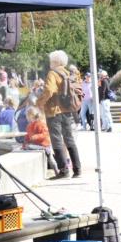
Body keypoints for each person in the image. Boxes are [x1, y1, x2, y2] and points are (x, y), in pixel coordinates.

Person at [35, 50, 81, 180]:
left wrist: (40, 102)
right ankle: (77, 169)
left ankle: (63, 170)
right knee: (69, 139)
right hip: (67, 110)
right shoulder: (68, 73)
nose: (49, 63)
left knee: (57, 140)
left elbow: (49, 90)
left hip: (54, 111)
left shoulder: (52, 73)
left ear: (54, 62)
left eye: (50, 61)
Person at [23, 106, 58, 175]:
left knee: (51, 159)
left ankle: (56, 170)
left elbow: (45, 134)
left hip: (44, 144)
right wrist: (25, 143)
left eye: (27, 116)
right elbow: (27, 136)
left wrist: (36, 137)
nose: (26, 118)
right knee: (28, 146)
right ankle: (56, 170)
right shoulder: (29, 126)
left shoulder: (41, 123)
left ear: (31, 116)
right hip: (37, 144)